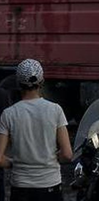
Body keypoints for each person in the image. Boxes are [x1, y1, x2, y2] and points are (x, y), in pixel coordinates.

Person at [0, 59, 72, 201]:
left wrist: (15, 163)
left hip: (21, 188)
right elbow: (67, 154)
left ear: (18, 83)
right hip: (50, 186)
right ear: (41, 81)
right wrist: (51, 159)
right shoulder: (55, 110)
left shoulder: (9, 114)